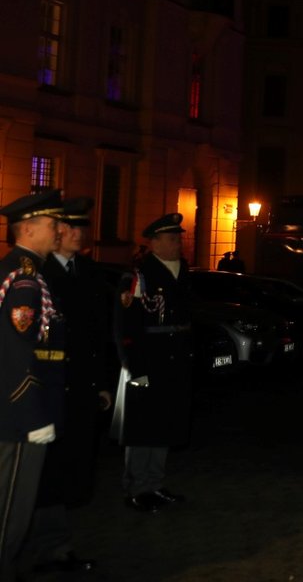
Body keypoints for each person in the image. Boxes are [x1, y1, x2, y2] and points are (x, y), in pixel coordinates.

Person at [24, 197, 115, 575]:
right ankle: (48, 548)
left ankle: (57, 545)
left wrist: (103, 383)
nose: (79, 235)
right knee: (47, 474)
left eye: (82, 228)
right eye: (70, 228)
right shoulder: (37, 274)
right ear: (56, 232)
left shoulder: (89, 272)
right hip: (49, 389)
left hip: (80, 387)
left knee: (73, 469)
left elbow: (100, 335)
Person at [0, 190, 66, 582]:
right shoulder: (23, 279)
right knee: (11, 510)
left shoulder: (23, 272)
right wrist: (32, 413)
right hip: (17, 414)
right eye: (51, 225)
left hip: (14, 408)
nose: (58, 231)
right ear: (27, 228)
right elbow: (15, 349)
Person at [110, 213, 193, 513]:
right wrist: (134, 366)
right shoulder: (138, 275)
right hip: (148, 360)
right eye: (172, 239)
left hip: (174, 362)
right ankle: (136, 487)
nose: (178, 244)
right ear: (154, 242)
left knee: (165, 424)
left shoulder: (183, 270)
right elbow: (125, 326)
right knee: (141, 426)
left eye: (179, 238)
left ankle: (155, 484)